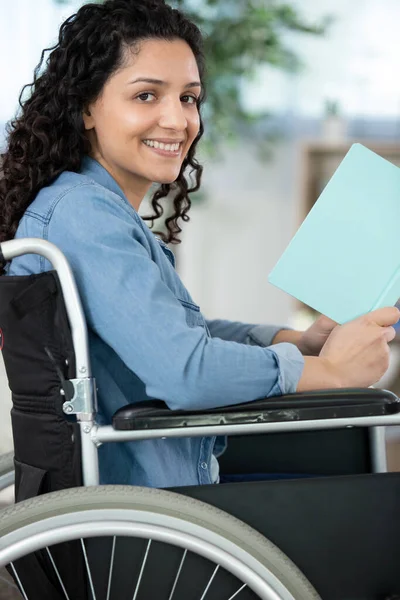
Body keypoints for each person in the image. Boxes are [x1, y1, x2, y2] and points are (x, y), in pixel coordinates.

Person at [0, 0, 398, 488]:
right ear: (85, 107)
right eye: (146, 96)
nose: (177, 120)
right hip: (149, 516)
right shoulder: (84, 215)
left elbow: (176, 337)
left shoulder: (83, 206)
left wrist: (295, 342)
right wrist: (329, 372)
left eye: (188, 98)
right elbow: (186, 371)